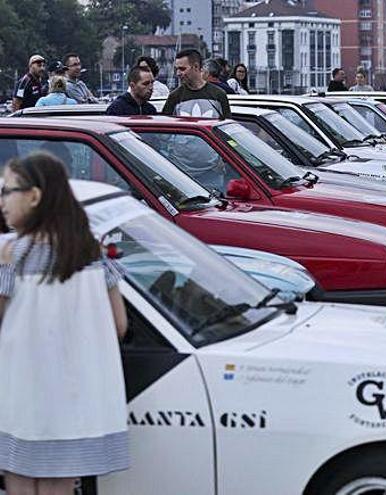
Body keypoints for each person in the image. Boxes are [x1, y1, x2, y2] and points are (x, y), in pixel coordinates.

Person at [0, 153, 129, 494]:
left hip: (20, 392)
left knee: (21, 478)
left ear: (34, 196)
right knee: (59, 480)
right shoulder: (90, 253)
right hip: (74, 395)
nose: (2, 201)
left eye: (7, 191)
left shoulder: (13, 254)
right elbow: (119, 326)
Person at [161, 49, 230, 119]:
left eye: (182, 69)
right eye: (176, 69)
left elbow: (227, 125)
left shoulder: (218, 94)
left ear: (196, 67)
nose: (178, 73)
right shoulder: (175, 97)